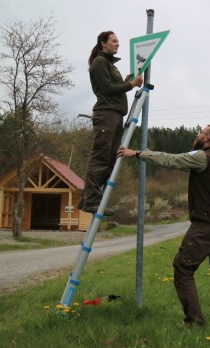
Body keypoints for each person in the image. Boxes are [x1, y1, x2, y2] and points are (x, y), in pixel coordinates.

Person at [117, 125, 210, 327]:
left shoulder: (203, 157)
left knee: (182, 268)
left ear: (207, 139)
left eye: (200, 132)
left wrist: (138, 153)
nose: (197, 134)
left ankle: (194, 322)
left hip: (205, 226)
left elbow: (171, 159)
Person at [78, 31, 143, 216]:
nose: (117, 44)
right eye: (114, 41)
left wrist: (125, 82)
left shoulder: (108, 64)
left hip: (114, 115)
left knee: (111, 158)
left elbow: (113, 88)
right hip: (105, 115)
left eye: (118, 41)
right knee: (101, 156)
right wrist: (130, 85)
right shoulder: (99, 62)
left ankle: (88, 200)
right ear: (103, 43)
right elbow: (106, 89)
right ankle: (92, 201)